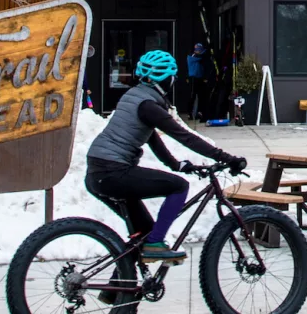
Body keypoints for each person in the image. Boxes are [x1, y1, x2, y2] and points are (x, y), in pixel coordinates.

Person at [85, 49, 247, 263]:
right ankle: (156, 243)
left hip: (98, 172)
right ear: (167, 79)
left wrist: (177, 165)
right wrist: (228, 158)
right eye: (173, 78)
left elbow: (152, 139)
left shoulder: (134, 97)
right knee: (178, 187)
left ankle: (116, 290)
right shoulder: (148, 105)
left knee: (143, 235)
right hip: (113, 171)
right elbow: (185, 137)